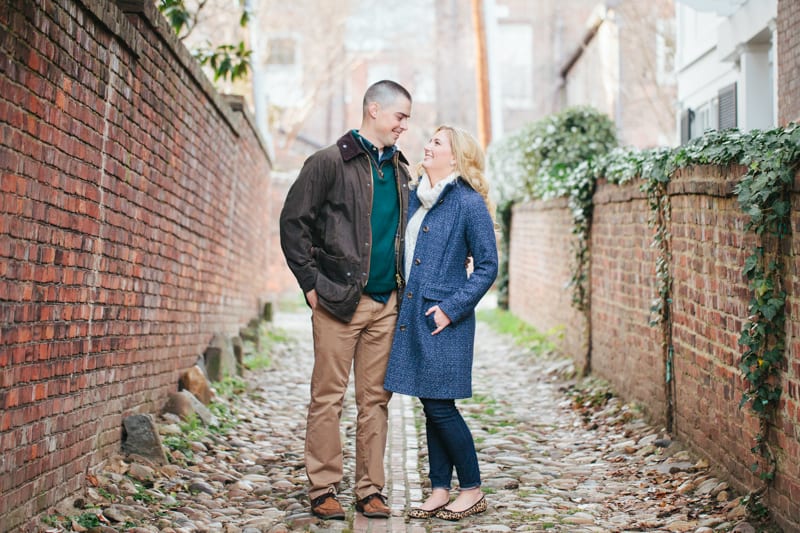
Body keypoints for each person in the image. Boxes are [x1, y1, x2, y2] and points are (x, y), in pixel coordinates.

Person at [279, 80, 413, 520]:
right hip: (337, 301)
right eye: (400, 117)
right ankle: (323, 489)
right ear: (374, 110)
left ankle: (370, 489)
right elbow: (293, 223)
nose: (403, 126)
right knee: (328, 398)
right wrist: (310, 284)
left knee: (375, 401)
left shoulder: (400, 170)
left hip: (385, 304)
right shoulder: (328, 162)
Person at [383, 125, 498, 521]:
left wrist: (452, 307)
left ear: (456, 157)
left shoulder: (468, 203)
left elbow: (487, 266)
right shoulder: (415, 198)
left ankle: (472, 488)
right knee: (431, 404)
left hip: (443, 319)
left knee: (440, 406)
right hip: (413, 314)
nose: (427, 146)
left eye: (437, 143)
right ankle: (438, 488)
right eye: (429, 140)